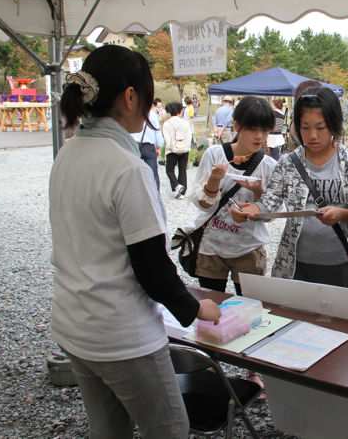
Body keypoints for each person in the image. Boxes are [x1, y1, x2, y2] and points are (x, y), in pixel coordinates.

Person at [50, 45, 221, 439]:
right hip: (121, 335)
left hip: (74, 325)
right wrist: (196, 309)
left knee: (109, 430)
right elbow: (152, 269)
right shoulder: (126, 168)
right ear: (130, 97)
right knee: (170, 430)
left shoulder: (68, 152)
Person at [231, 87, 348, 288]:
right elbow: (269, 204)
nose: (312, 135)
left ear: (334, 124)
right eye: (305, 127)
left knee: (332, 319)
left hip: (337, 262)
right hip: (293, 264)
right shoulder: (288, 163)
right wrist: (253, 209)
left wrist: (341, 214)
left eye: (320, 128)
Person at [189, 96, 278, 295]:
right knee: (212, 303)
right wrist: (213, 180)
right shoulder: (215, 155)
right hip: (212, 246)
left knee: (252, 308)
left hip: (249, 248)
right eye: (253, 129)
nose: (259, 137)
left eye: (264, 130)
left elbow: (271, 215)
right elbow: (202, 204)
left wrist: (257, 193)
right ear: (237, 126)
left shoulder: (269, 166)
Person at [162, 102, 194, 199]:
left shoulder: (167, 123)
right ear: (180, 111)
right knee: (182, 170)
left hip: (172, 150)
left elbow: (167, 139)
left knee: (169, 170)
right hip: (184, 150)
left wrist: (171, 147)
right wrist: (186, 147)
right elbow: (189, 136)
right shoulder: (185, 123)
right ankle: (182, 193)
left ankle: (177, 186)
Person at [131, 100, 164, 189]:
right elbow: (157, 131)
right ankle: (155, 196)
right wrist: (159, 146)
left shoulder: (132, 113)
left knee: (134, 173)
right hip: (148, 147)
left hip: (133, 146)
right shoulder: (152, 115)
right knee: (153, 173)